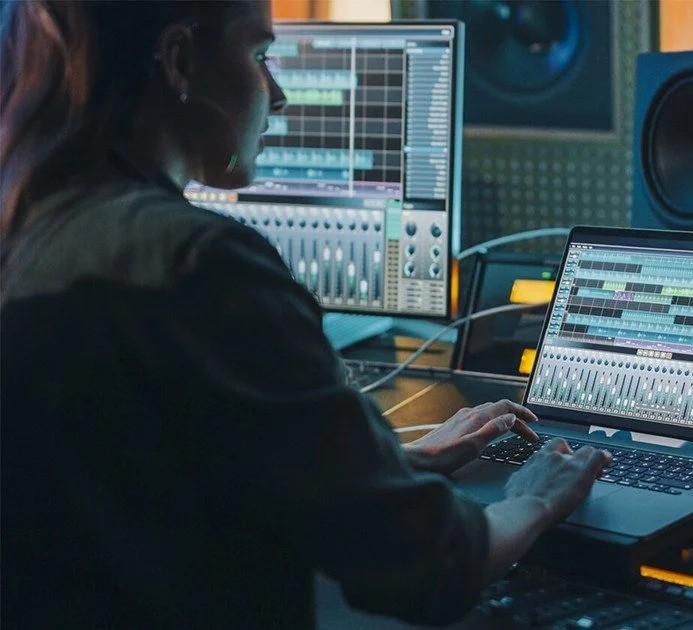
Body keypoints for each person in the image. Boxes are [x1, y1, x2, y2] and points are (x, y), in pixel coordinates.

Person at [0, 1, 610, 627]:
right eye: (261, 56)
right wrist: (535, 500)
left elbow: (154, 480)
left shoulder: (31, 230)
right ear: (179, 60)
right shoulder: (201, 265)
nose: (278, 94)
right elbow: (430, 565)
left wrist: (391, 468)